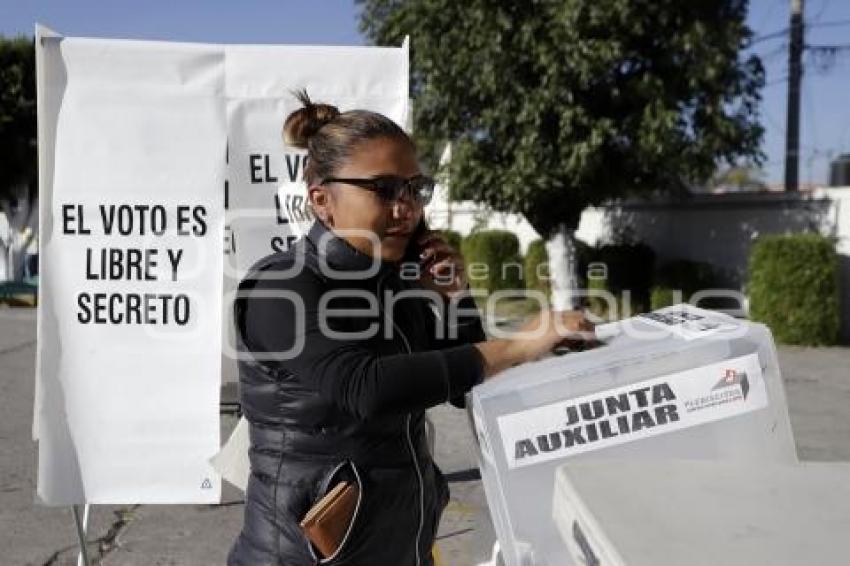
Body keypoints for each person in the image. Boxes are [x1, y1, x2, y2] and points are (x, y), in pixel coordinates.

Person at [227, 91, 594, 566]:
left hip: (400, 544)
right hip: (303, 556)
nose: (407, 208)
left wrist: (457, 297)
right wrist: (519, 344)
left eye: (415, 190)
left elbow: (465, 388)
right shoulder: (282, 284)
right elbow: (365, 387)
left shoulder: (398, 282)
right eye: (383, 189)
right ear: (322, 200)